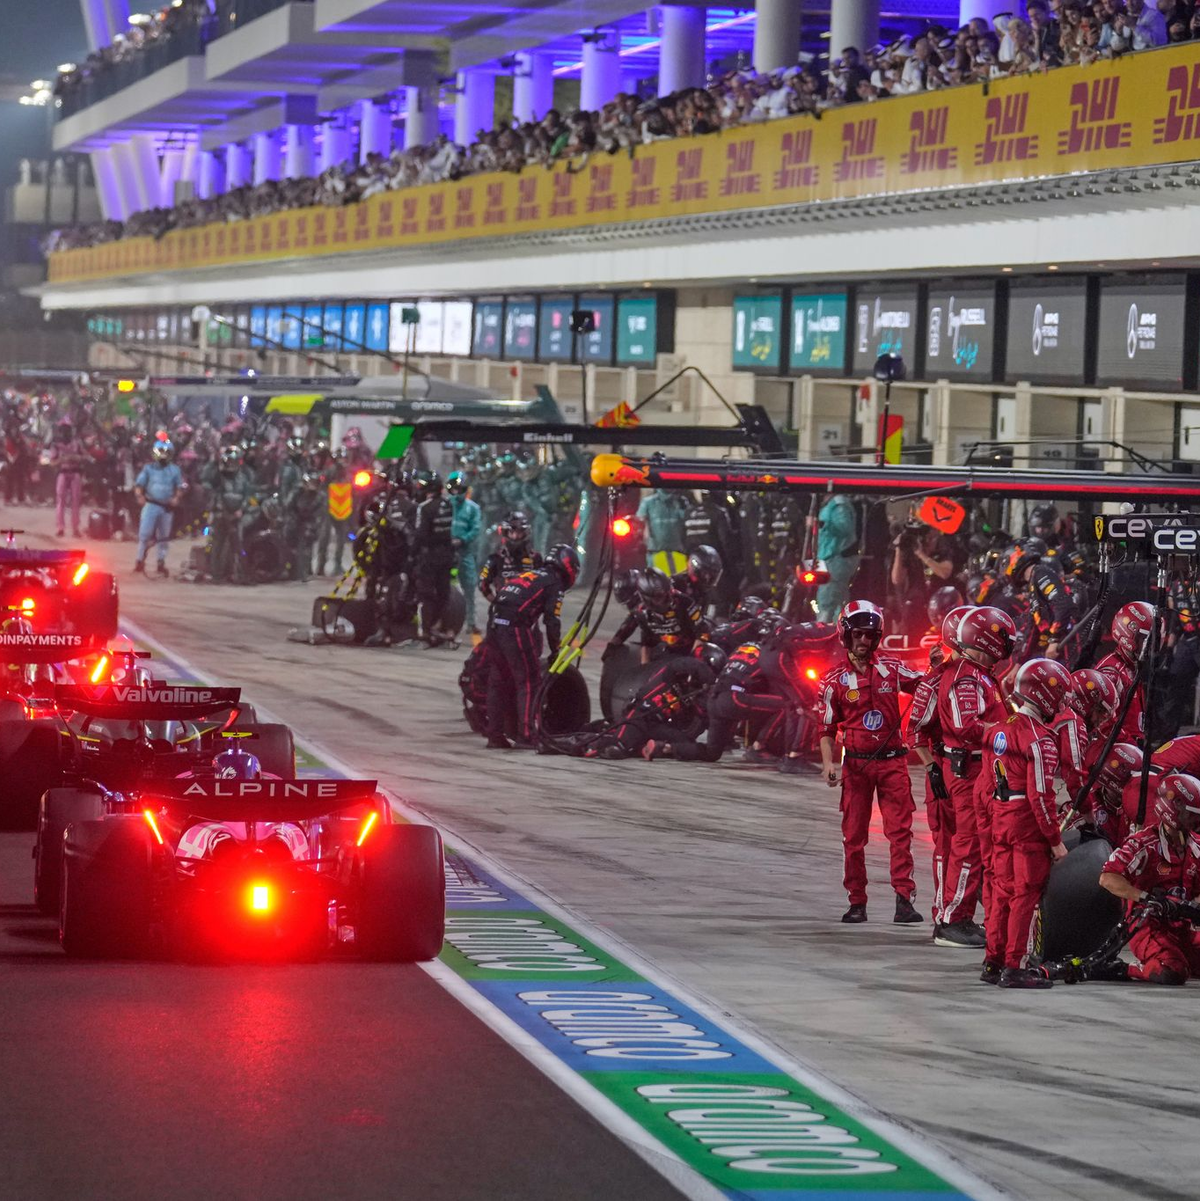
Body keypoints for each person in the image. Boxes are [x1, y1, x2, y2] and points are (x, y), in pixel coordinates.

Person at [817, 600, 924, 924]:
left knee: (900, 834)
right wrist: (828, 764)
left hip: (894, 763)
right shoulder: (832, 681)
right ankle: (857, 902)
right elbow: (825, 728)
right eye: (858, 635)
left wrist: (943, 665)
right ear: (846, 636)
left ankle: (904, 900)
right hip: (856, 767)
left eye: (870, 635)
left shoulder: (892, 668)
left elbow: (925, 683)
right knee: (853, 837)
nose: (864, 641)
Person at [979, 658, 1069, 988]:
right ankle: (1013, 966)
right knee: (1024, 895)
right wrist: (1054, 839)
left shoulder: (999, 730)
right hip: (1026, 825)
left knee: (1001, 893)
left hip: (999, 818)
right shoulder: (1040, 740)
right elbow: (1041, 794)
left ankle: (993, 961)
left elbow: (985, 785)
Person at [934, 605, 1016, 947]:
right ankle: (953, 920)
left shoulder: (979, 673)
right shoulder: (966, 677)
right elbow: (966, 726)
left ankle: (961, 915)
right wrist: (1009, 733)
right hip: (966, 770)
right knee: (968, 847)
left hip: (978, 770)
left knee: (978, 845)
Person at [1099, 772, 1200, 983]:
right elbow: (1108, 878)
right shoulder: (1143, 843)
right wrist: (1146, 898)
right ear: (1174, 809)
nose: (1197, 819)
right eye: (1193, 814)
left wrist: (1191, 906)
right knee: (1171, 972)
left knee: (1183, 965)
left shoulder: (1196, 845)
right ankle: (1124, 970)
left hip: (1185, 925)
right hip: (1148, 925)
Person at [484, 543, 579, 749]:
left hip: (494, 623)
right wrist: (556, 649)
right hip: (514, 626)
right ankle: (526, 736)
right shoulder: (554, 582)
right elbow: (552, 619)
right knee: (529, 681)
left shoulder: (533, 574)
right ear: (569, 566)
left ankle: (494, 735)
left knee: (498, 681)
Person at [607, 568, 701, 663]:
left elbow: (700, 624)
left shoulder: (672, 589)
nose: (636, 607)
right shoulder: (643, 611)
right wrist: (615, 642)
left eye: (634, 602)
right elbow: (634, 623)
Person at [1096, 601, 1157, 745]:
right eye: (1146, 641)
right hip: (1118, 753)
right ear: (1130, 634)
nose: (1151, 647)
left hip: (1129, 747)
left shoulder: (1131, 667)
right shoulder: (1112, 672)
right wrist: (1133, 748)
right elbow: (1103, 726)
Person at [411, 471, 456, 644]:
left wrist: (411, 556)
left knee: (425, 594)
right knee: (443, 592)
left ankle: (425, 630)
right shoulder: (448, 505)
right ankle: (442, 626)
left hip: (429, 557)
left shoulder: (424, 508)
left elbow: (420, 535)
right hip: (447, 556)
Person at [133, 440, 183, 577]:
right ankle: (139, 560)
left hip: (166, 507)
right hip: (151, 504)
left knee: (164, 537)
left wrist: (176, 498)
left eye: (166, 452)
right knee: (144, 534)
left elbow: (179, 486)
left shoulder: (175, 470)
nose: (163, 455)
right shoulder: (148, 468)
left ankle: (161, 561)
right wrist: (139, 496)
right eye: (161, 452)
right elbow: (139, 485)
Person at [206, 445, 253, 583]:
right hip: (221, 516)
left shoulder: (243, 478)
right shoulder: (219, 477)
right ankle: (216, 575)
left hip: (236, 517)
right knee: (217, 545)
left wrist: (241, 510)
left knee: (238, 547)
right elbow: (215, 493)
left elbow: (248, 497)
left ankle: (238, 573)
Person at [448, 471, 482, 638]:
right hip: (446, 551)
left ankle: (471, 622)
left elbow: (475, 529)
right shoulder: (446, 505)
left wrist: (462, 540)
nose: (456, 492)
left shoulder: (473, 508)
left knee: (469, 586)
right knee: (444, 587)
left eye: (459, 488)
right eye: (454, 489)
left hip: (464, 551)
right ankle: (445, 620)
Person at [816, 493, 859, 622]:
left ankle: (822, 630)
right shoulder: (830, 505)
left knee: (829, 596)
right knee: (837, 598)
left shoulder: (839, 505)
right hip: (828, 557)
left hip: (837, 558)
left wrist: (824, 524)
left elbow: (845, 527)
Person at [479, 511, 540, 602]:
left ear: (525, 533)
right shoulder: (496, 558)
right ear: (505, 532)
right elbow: (483, 584)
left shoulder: (535, 558)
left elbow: (544, 586)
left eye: (519, 532)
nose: (515, 536)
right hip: (503, 609)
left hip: (527, 610)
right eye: (512, 532)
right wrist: (496, 603)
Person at [636, 487, 688, 574]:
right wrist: (641, 539)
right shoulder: (648, 502)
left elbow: (688, 522)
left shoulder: (681, 502)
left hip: (678, 553)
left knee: (679, 584)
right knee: (657, 584)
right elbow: (639, 523)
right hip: (656, 553)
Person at [51, 418, 87, 538]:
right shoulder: (56, 444)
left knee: (76, 501)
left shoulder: (77, 443)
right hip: (62, 472)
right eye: (64, 429)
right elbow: (52, 462)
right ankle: (60, 527)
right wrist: (62, 459)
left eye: (68, 429)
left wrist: (76, 458)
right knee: (60, 500)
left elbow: (85, 457)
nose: (66, 432)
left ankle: (75, 528)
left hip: (75, 472)